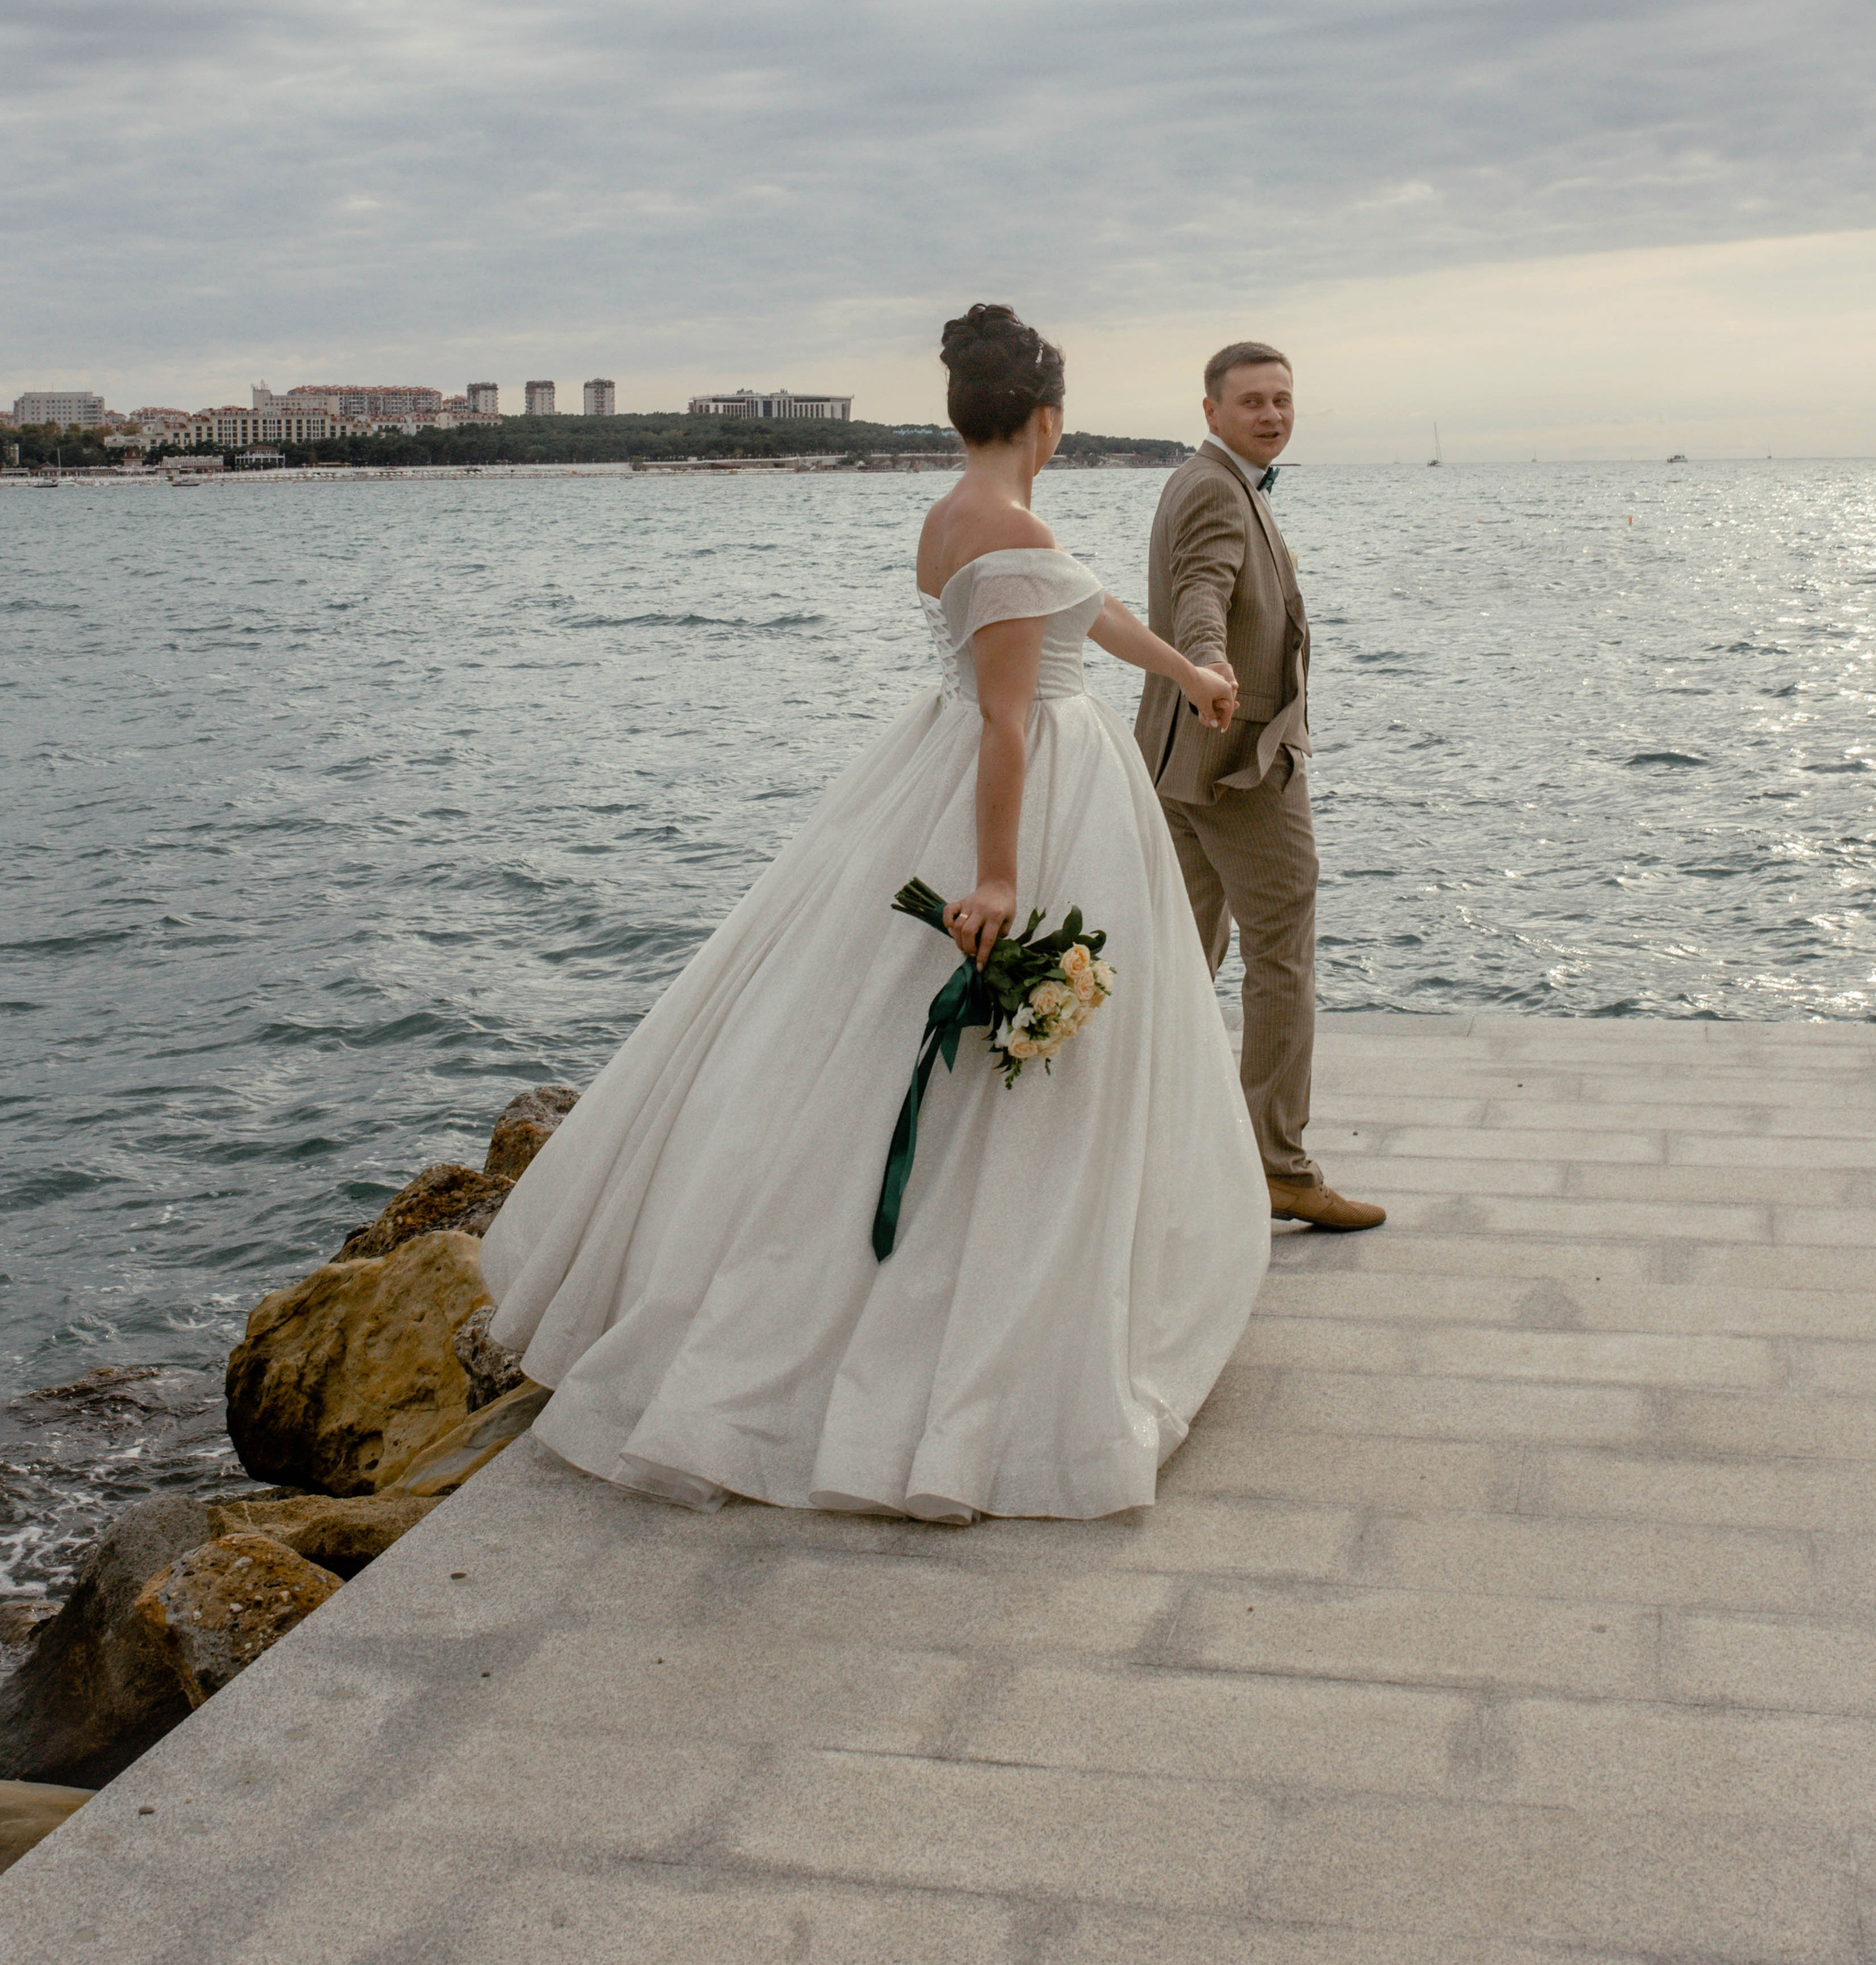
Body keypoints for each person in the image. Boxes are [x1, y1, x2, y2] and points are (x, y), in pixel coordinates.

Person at [478, 304, 1269, 1523]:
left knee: (872, 1038)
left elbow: (1078, 613)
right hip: (1029, 794)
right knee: (1011, 1071)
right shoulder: (1011, 527)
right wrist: (1000, 880)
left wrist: (1189, 675)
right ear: (1047, 420)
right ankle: (971, 1319)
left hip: (940, 766)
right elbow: (1012, 715)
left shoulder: (952, 518)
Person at [1137, 340, 1386, 1230]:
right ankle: (1276, 1165)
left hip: (1178, 762)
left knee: (1179, 958)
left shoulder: (1213, 481)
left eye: (1282, 399)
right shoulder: (1212, 486)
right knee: (1279, 957)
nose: (1272, 415)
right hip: (1239, 764)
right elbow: (1200, 590)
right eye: (1252, 402)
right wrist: (1209, 664)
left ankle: (1143, 1140)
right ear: (1210, 411)